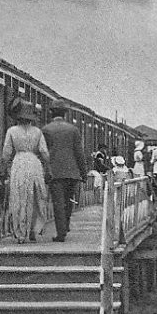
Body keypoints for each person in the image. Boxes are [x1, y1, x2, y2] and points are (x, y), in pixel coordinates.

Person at [1, 101, 50, 244]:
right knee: (35, 196)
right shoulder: (37, 132)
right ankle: (34, 230)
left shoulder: (12, 131)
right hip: (34, 163)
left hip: (19, 163)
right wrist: (48, 167)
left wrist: (3, 168)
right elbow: (44, 152)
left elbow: (6, 152)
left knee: (19, 197)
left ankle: (21, 233)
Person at [41, 99, 88, 243]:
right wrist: (83, 173)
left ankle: (61, 232)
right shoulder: (73, 130)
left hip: (55, 172)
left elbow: (43, 153)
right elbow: (79, 153)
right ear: (65, 114)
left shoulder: (46, 130)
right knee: (68, 201)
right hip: (72, 172)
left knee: (58, 203)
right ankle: (65, 225)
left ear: (51, 113)